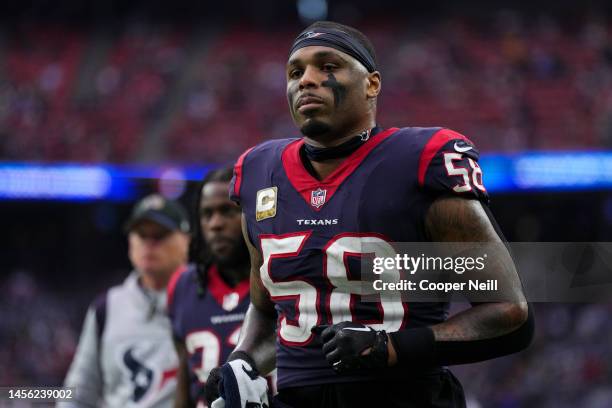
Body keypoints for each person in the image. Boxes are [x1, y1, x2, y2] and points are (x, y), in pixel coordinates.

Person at [206, 21, 534, 408]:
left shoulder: (418, 161)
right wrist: (242, 362)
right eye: (296, 72)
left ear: (372, 84)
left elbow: (508, 312)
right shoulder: (259, 172)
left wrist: (391, 347)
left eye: (328, 66)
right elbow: (266, 310)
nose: (307, 81)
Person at [60, 194, 191, 408]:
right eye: (141, 234)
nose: (149, 243)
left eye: (160, 235)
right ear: (130, 242)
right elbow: (79, 394)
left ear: (187, 241)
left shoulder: (208, 300)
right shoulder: (106, 308)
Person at [168, 168, 253, 408]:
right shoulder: (183, 285)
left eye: (227, 211)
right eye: (207, 214)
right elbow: (184, 386)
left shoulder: (278, 278)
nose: (215, 224)